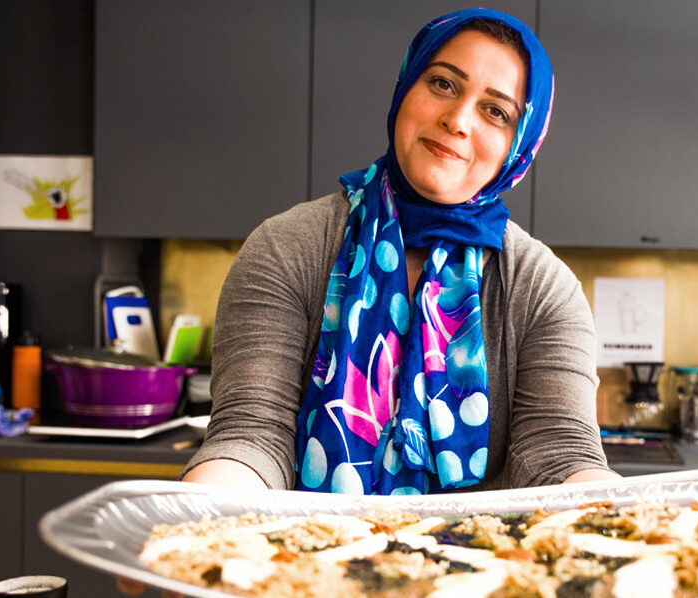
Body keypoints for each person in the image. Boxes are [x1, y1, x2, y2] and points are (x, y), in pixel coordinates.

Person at [184, 7, 617, 493]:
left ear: (520, 145)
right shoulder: (287, 248)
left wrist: (625, 519)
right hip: (302, 560)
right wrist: (200, 515)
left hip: (485, 566)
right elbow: (252, 433)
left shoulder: (542, 289)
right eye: (443, 84)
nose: (457, 120)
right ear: (406, 86)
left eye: (496, 111)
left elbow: (560, 453)